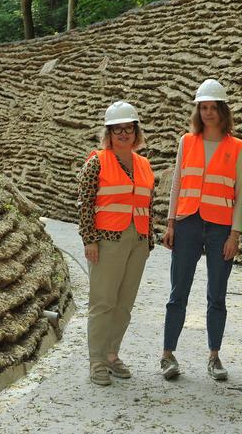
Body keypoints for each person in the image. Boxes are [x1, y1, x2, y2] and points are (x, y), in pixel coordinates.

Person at [160, 79, 242, 380]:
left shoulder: (237, 147)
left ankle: (214, 357)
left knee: (217, 295)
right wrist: (170, 222)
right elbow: (177, 184)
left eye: (214, 107)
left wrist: (235, 234)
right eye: (203, 107)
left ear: (223, 111)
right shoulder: (187, 142)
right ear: (198, 110)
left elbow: (241, 195)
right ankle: (167, 355)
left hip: (220, 228)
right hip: (187, 223)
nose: (208, 112)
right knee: (178, 292)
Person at [77, 101, 155, 386]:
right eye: (118, 129)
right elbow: (85, 204)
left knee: (124, 304)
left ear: (136, 132)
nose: (124, 133)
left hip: (138, 240)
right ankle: (96, 360)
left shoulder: (144, 164)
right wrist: (90, 240)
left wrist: (149, 240)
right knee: (103, 302)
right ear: (108, 133)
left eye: (129, 128)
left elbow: (149, 203)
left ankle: (112, 354)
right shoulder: (96, 162)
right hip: (106, 242)